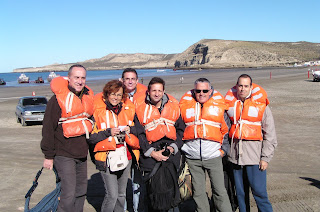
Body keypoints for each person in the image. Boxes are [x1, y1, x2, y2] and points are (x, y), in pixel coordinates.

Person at [41, 64, 94, 212]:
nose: (80, 81)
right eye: (76, 77)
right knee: (68, 194)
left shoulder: (86, 98)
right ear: (69, 78)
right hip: (63, 154)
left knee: (81, 191)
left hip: (82, 154)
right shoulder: (57, 100)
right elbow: (48, 129)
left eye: (83, 78)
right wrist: (48, 156)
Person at [225, 74, 277, 212]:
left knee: (259, 193)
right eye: (240, 86)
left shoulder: (262, 107)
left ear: (251, 87)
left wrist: (265, 158)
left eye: (246, 86)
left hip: (254, 158)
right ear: (236, 87)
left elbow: (270, 134)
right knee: (241, 195)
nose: (242, 89)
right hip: (235, 158)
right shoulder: (230, 106)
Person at [179, 77, 233, 212]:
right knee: (198, 192)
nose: (201, 93)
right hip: (193, 158)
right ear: (194, 91)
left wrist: (223, 151)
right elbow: (180, 129)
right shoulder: (185, 108)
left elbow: (226, 131)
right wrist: (185, 150)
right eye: (198, 90)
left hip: (213, 157)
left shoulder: (219, 108)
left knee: (220, 191)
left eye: (204, 90)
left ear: (210, 91)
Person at [88, 80, 140, 212]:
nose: (115, 97)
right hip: (106, 157)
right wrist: (108, 132)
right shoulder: (97, 112)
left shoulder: (128, 110)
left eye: (119, 95)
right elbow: (92, 138)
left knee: (121, 194)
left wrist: (130, 129)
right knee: (112, 195)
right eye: (112, 94)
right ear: (106, 94)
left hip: (125, 156)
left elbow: (139, 130)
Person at [134, 77, 185, 212]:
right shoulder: (140, 109)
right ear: (148, 92)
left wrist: (172, 147)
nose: (157, 94)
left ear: (164, 92)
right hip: (151, 155)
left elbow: (181, 130)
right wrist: (152, 153)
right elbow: (139, 134)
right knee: (154, 195)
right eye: (154, 90)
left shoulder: (173, 107)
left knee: (172, 192)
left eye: (159, 91)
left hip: (171, 154)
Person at [121, 68, 147, 212]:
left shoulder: (144, 96)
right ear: (122, 81)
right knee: (122, 182)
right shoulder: (116, 96)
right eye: (127, 79)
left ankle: (137, 209)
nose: (130, 81)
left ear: (137, 81)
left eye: (132, 79)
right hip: (122, 146)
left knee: (137, 181)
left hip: (139, 144)